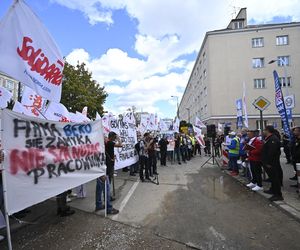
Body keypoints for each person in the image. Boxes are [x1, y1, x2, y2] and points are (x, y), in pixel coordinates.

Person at [261, 126, 284, 201]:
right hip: (269, 162)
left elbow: (272, 152)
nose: (263, 131)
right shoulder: (269, 138)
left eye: (264, 130)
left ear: (267, 131)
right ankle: (273, 190)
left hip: (272, 163)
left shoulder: (273, 139)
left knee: (275, 178)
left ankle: (278, 195)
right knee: (272, 178)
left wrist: (268, 162)